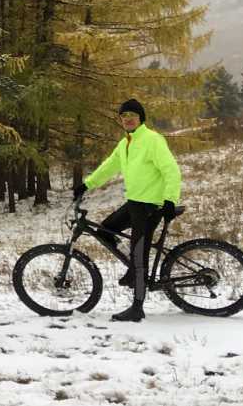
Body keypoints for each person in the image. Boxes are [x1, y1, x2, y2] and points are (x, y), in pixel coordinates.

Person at [76, 98, 182, 323]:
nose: (128, 119)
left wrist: (170, 200)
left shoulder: (152, 140)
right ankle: (133, 270)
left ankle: (137, 307)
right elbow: (109, 166)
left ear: (140, 118)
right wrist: (86, 185)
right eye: (124, 116)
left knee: (139, 253)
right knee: (105, 231)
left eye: (132, 115)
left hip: (151, 205)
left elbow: (171, 170)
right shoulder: (125, 143)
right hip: (134, 202)